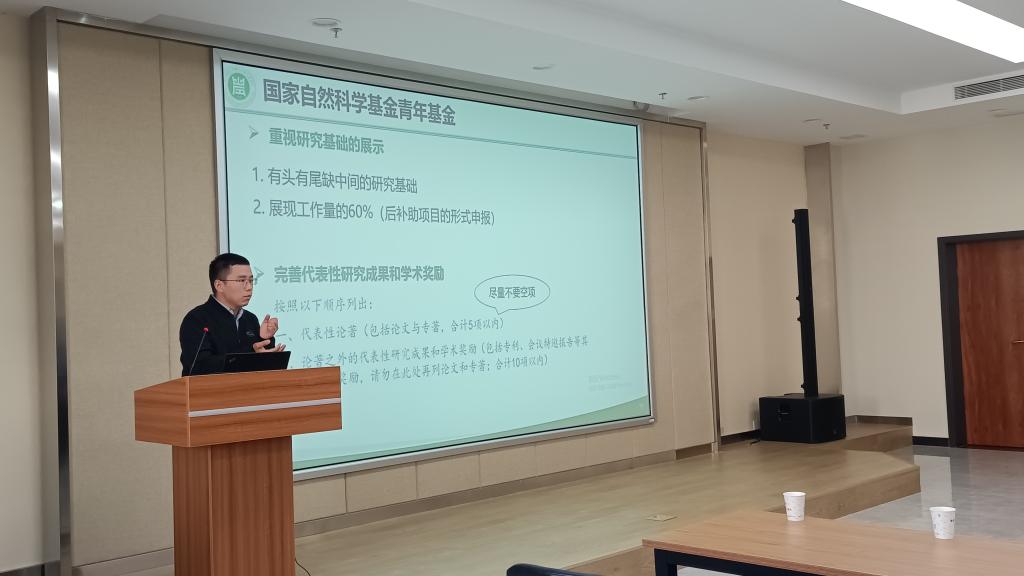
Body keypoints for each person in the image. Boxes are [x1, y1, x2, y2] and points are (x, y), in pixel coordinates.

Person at [179, 252, 285, 376]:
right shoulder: (196, 319)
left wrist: (265, 338)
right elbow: (200, 366)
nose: (249, 287)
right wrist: (250, 353)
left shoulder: (250, 319)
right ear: (219, 285)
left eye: (251, 280)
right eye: (241, 280)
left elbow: (261, 368)